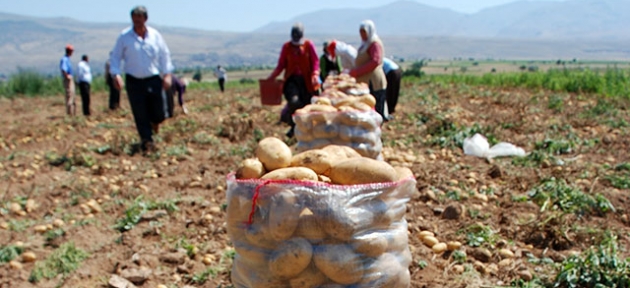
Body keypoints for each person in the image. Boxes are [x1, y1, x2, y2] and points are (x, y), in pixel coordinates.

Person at [109, 5, 174, 153]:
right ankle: (147, 141)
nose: (137, 22)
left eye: (140, 19)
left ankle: (155, 122)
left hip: (153, 78)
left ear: (145, 19)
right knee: (140, 112)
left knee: (159, 113)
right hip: (134, 80)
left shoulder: (155, 36)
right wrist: (116, 74)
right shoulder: (124, 37)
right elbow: (115, 57)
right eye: (134, 19)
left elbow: (165, 55)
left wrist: (167, 74)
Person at [267, 22, 320, 138]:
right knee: (294, 102)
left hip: (306, 80)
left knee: (308, 104)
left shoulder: (308, 45)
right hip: (292, 80)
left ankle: (307, 130)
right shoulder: (286, 47)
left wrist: (315, 74)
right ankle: (294, 126)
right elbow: (281, 65)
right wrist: (272, 77)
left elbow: (315, 61)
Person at [349, 20, 389, 121]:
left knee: (376, 111)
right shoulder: (365, 44)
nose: (362, 35)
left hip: (374, 81)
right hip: (365, 81)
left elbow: (375, 61)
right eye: (361, 32)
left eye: (364, 32)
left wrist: (357, 72)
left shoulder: (374, 44)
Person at [59, 44, 75, 116]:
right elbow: (63, 69)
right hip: (68, 79)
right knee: (69, 95)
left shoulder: (67, 59)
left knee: (71, 95)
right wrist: (67, 76)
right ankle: (70, 113)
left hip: (70, 78)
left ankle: (71, 112)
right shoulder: (64, 59)